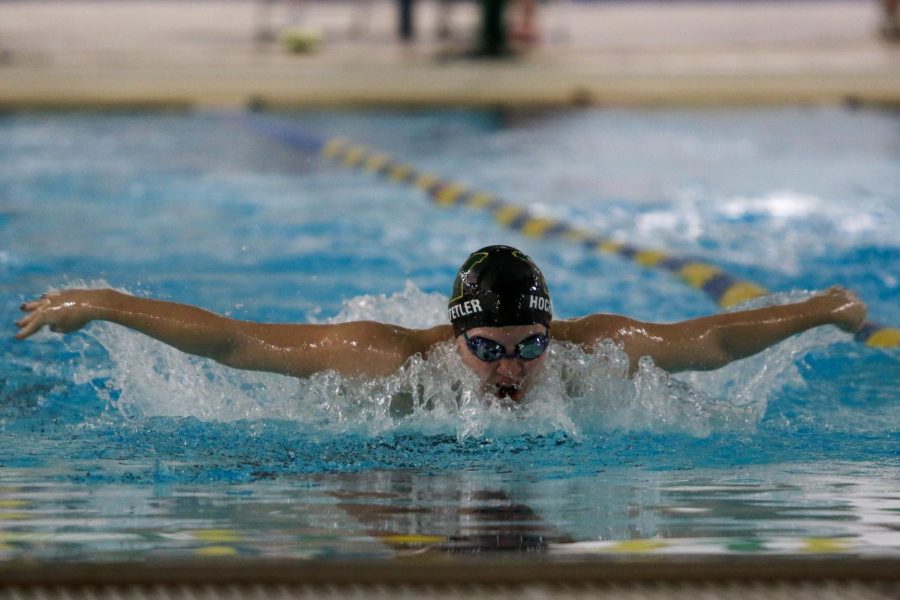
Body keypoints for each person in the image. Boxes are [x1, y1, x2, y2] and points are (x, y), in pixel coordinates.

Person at [15, 245, 866, 404]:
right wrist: (103, 304)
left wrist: (821, 312)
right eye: (489, 353)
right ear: (452, 337)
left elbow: (710, 342)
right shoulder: (382, 361)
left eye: (530, 346)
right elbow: (235, 340)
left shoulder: (593, 351)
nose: (511, 372)